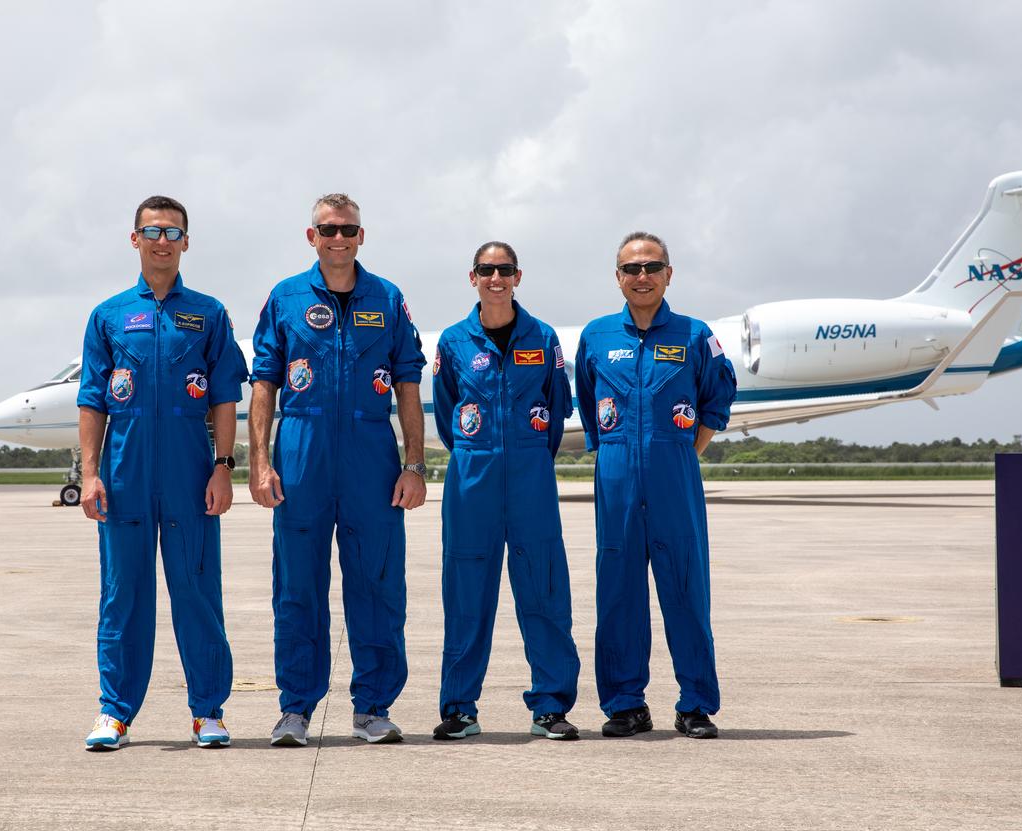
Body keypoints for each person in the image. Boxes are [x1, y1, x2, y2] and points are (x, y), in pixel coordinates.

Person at [249, 193, 427, 746]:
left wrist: (414, 464)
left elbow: (408, 386)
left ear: (361, 235)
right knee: (297, 585)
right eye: (328, 229)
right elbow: (264, 384)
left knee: (377, 584)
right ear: (312, 236)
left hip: (371, 456)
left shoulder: (388, 298)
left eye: (348, 229)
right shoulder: (285, 298)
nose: (338, 238)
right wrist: (259, 462)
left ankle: (373, 707)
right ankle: (295, 709)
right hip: (302, 452)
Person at [77, 196, 248, 750]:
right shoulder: (107, 316)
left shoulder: (209, 313)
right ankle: (115, 712)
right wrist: (92, 473)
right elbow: (92, 401)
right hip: (124, 476)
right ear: (135, 239)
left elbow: (224, 398)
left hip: (188, 474)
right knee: (122, 594)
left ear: (186, 243)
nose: (162, 241)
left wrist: (223, 468)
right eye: (152, 231)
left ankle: (208, 711)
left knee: (198, 592)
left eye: (173, 233)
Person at [574, 231, 736, 739]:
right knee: (618, 594)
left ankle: (695, 704)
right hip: (616, 478)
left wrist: (685, 455)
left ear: (669, 274)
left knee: (686, 589)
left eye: (652, 267)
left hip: (675, 477)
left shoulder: (694, 334)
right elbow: (587, 403)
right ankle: (625, 704)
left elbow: (717, 400)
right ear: (618, 277)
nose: (641, 276)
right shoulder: (597, 337)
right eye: (631, 268)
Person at [431, 241, 582, 741]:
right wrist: (483, 454)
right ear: (471, 276)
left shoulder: (544, 337)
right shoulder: (453, 341)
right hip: (472, 483)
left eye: (505, 270)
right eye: (486, 270)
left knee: (544, 591)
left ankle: (550, 707)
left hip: (531, 483)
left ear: (518, 276)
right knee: (466, 595)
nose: (496, 278)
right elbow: (450, 414)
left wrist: (526, 457)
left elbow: (557, 410)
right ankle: (459, 708)